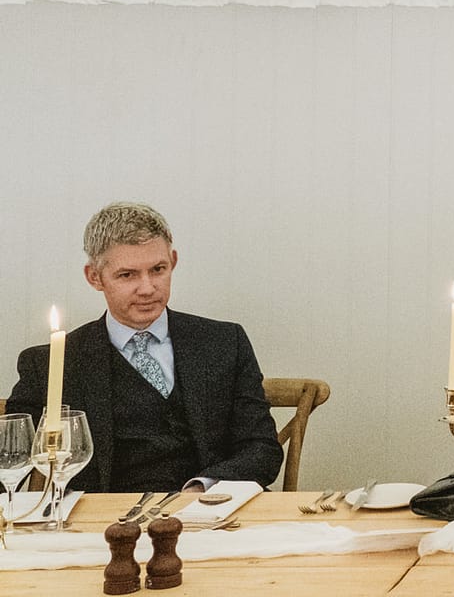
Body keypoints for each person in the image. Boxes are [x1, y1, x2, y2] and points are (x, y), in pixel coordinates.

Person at [6, 203, 282, 493]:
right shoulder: (51, 363)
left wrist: (203, 488)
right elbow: (10, 454)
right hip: (106, 524)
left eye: (158, 270)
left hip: (211, 512)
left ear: (173, 261)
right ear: (94, 277)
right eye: (127, 275)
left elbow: (262, 448)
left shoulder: (224, 342)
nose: (148, 288)